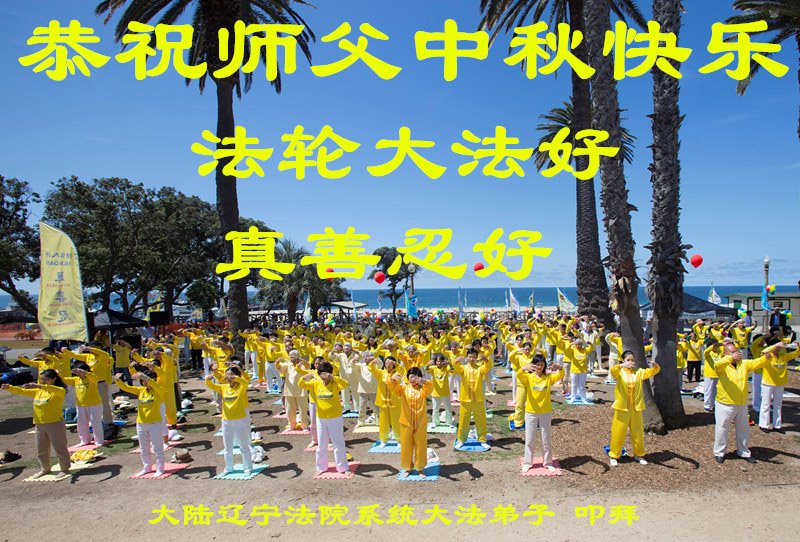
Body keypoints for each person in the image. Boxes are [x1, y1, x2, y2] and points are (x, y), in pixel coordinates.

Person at [1, 369, 71, 479]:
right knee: (41, 449)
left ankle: (64, 468)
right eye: (41, 379)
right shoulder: (39, 391)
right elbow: (22, 391)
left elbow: (55, 389)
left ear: (54, 379)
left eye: (45, 379)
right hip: (39, 424)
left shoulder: (59, 390)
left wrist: (39, 386)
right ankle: (45, 469)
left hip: (55, 423)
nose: (42, 381)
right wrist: (9, 387)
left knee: (59, 448)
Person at [712, 342, 772, 464]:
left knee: (743, 428)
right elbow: (717, 365)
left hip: (741, 403)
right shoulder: (722, 365)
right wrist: (730, 358)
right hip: (725, 403)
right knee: (722, 428)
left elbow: (756, 363)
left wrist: (766, 358)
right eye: (733, 352)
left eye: (737, 351)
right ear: (725, 353)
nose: (737, 353)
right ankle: (719, 452)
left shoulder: (743, 364)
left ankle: (743, 452)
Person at [608, 350, 660, 466]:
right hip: (622, 408)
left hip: (636, 408)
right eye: (628, 360)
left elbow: (651, 372)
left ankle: (639, 455)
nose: (630, 362)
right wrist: (622, 365)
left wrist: (656, 367)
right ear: (623, 360)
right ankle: (614, 455)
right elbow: (613, 371)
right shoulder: (619, 372)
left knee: (638, 433)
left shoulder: (639, 372)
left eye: (632, 360)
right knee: (618, 432)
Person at [299, 361, 350, 476]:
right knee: (321, 444)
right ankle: (321, 467)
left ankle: (343, 467)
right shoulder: (316, 383)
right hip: (321, 419)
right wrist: (304, 378)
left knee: (338, 443)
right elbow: (301, 384)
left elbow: (346, 384)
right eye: (321, 373)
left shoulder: (335, 383)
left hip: (335, 418)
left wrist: (333, 377)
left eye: (325, 373)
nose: (323, 376)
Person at [516, 354, 563, 472]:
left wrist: (559, 367)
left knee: (546, 439)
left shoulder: (548, 377)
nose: (539, 367)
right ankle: (528, 462)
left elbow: (561, 375)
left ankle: (548, 463)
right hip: (531, 412)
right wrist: (524, 368)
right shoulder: (528, 377)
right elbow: (519, 375)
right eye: (537, 364)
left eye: (541, 364)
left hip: (545, 412)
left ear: (544, 365)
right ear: (533, 365)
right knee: (530, 439)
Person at [115, 369, 166, 477]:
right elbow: (126, 388)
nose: (144, 382)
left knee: (157, 447)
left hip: (155, 424)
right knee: (144, 448)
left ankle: (160, 468)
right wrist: (117, 380)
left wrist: (145, 376)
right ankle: (147, 467)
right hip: (141, 424)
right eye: (142, 380)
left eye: (146, 380)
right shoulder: (141, 390)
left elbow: (159, 389)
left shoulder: (159, 390)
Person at [205, 365, 253, 476]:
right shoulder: (224, 387)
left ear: (237, 376)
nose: (229, 377)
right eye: (227, 375)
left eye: (231, 375)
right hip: (227, 420)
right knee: (227, 446)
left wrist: (235, 377)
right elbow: (211, 385)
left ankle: (247, 467)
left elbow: (245, 382)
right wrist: (207, 379)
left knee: (243, 445)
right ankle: (229, 467)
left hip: (240, 419)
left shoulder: (242, 386)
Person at [387, 367, 434, 477]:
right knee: (406, 446)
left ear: (420, 378)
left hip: (420, 423)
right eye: (411, 376)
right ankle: (407, 467)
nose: (413, 379)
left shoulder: (423, 390)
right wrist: (392, 379)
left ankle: (420, 468)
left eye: (416, 377)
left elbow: (431, 386)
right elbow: (392, 387)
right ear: (408, 377)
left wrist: (423, 381)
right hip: (406, 423)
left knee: (420, 446)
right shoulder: (403, 388)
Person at [452, 348, 491, 450]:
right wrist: (456, 360)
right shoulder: (464, 368)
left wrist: (486, 359)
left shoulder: (480, 369)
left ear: (476, 357)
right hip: (465, 399)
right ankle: (461, 440)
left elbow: (488, 366)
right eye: (470, 357)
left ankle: (482, 439)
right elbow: (455, 366)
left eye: (473, 357)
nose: (471, 359)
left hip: (478, 399)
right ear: (467, 357)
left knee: (481, 420)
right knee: (463, 420)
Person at [60, 362, 104, 447]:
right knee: (81, 423)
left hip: (94, 404)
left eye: (79, 371)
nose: (78, 373)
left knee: (95, 422)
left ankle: (99, 441)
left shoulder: (92, 377)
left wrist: (85, 373)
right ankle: (84, 440)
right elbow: (64, 379)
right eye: (76, 371)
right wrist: (58, 374)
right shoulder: (76, 379)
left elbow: (95, 378)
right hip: (80, 405)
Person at [759, 340, 799, 432]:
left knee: (778, 405)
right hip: (767, 383)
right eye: (777, 347)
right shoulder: (767, 356)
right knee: (766, 404)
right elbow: (764, 351)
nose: (778, 349)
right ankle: (763, 425)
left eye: (779, 348)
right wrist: (775, 345)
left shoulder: (783, 356)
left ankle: (777, 425)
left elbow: (796, 353)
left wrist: (798, 346)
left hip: (779, 384)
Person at [367, 355, 403, 447]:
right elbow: (371, 369)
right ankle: (383, 440)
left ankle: (399, 440)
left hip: (395, 402)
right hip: (383, 402)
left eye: (390, 362)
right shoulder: (381, 373)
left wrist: (397, 364)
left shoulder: (397, 372)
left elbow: (402, 370)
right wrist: (373, 362)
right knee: (383, 422)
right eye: (386, 362)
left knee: (396, 422)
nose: (388, 364)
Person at [425, 353, 455, 427]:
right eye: (438, 361)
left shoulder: (446, 368)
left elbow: (452, 370)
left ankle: (449, 422)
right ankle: (435, 422)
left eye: (441, 361)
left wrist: (449, 363)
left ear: (443, 361)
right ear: (435, 362)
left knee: (448, 409)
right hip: (436, 392)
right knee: (435, 409)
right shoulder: (433, 368)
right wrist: (428, 364)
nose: (439, 363)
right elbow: (426, 370)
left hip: (445, 392)